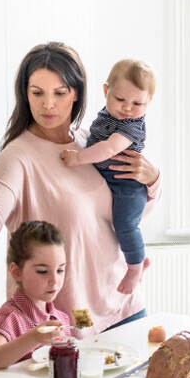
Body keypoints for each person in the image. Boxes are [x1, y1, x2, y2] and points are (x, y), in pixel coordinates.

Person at [0, 42, 162, 335]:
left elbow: (131, 213)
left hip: (124, 307)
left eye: (59, 93)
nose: (47, 104)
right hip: (67, 324)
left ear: (76, 93)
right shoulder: (18, 157)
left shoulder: (90, 144)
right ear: (25, 95)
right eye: (37, 93)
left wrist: (152, 180)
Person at [60, 58, 155, 294]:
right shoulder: (110, 115)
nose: (127, 108)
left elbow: (109, 148)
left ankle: (135, 266)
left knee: (125, 226)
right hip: (111, 180)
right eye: (120, 99)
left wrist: (78, 158)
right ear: (106, 91)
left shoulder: (132, 125)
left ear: (148, 102)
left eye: (137, 103)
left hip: (128, 187)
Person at [0, 221, 70, 371]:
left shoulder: (61, 319)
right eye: (42, 271)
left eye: (60, 270)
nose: (55, 280)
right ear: (16, 272)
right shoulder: (9, 318)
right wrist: (34, 338)